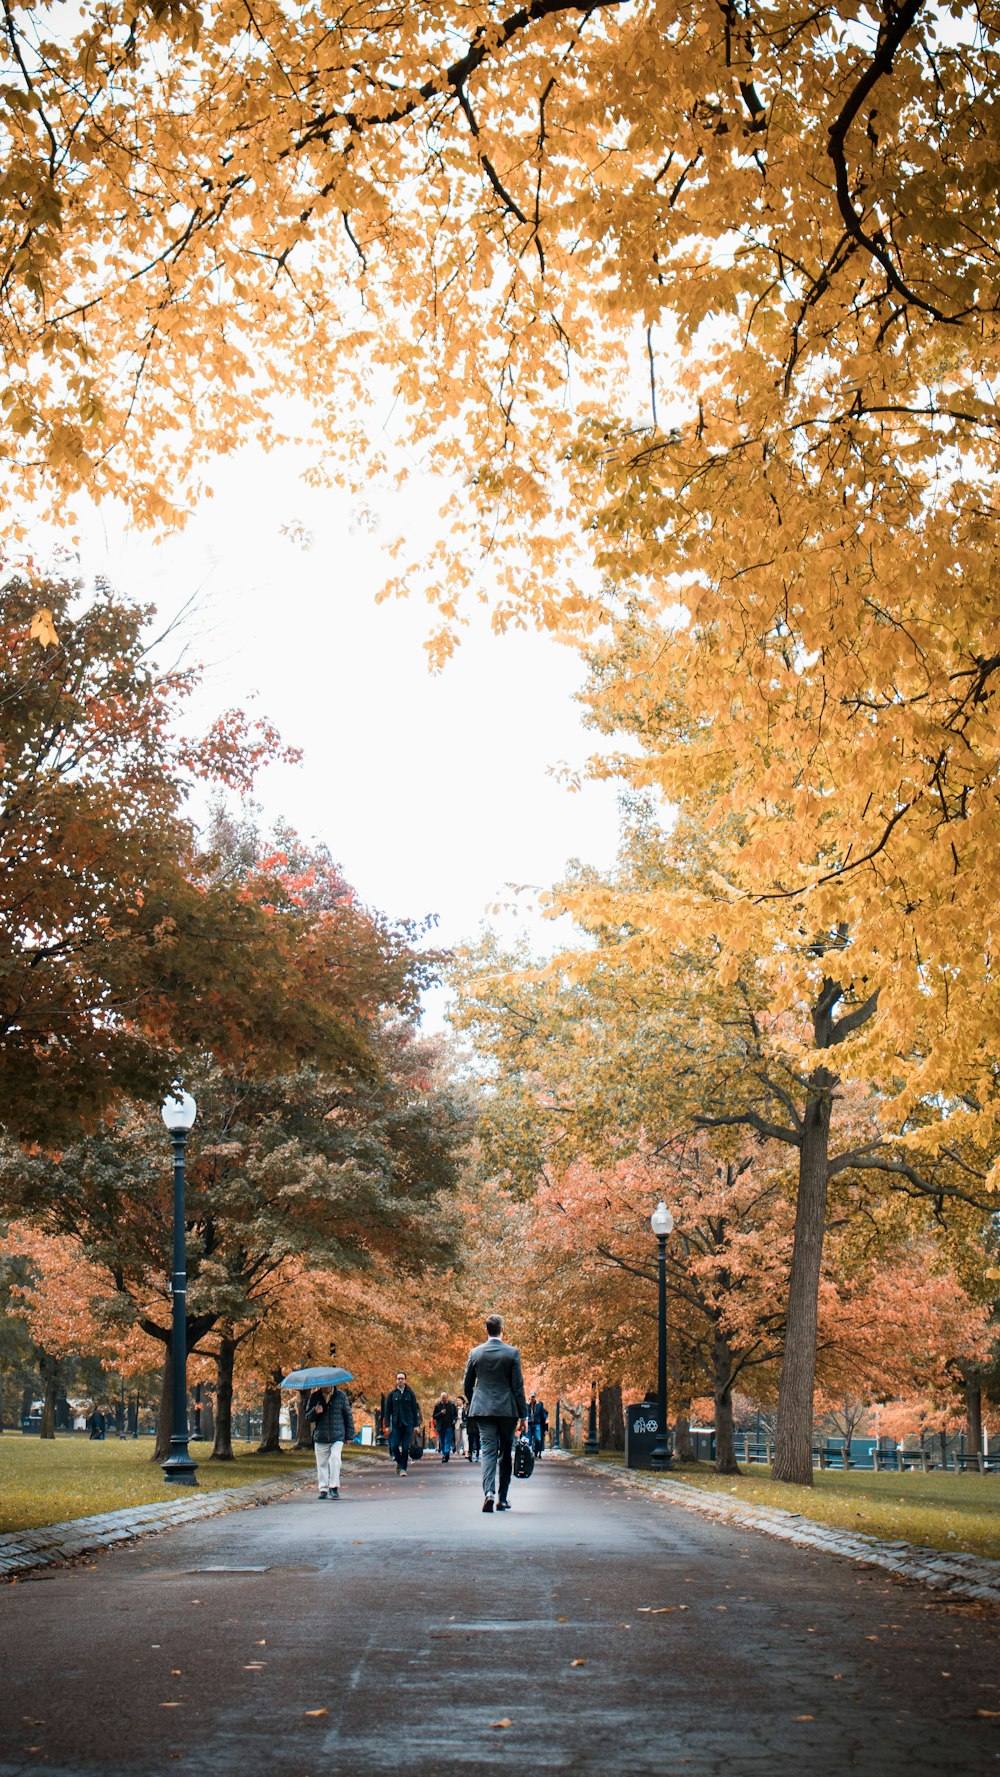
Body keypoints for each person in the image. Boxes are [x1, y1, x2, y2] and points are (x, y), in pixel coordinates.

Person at [463, 1313, 527, 1514]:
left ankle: (488, 1492)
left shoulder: (475, 1353)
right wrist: (523, 1414)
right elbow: (518, 1386)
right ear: (502, 1329)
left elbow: (467, 1385)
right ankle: (503, 1498)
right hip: (507, 1410)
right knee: (505, 1453)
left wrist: (476, 1400)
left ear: (486, 1330)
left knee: (488, 1451)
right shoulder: (512, 1353)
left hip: (483, 1409)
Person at [306, 1382, 355, 1499]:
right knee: (322, 1463)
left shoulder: (341, 1396)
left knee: (335, 1459)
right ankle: (323, 1488)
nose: (326, 1386)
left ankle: (333, 1487)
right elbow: (307, 1417)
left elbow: (348, 1416)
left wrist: (350, 1435)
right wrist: (315, 1411)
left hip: (337, 1435)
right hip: (321, 1436)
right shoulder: (315, 1396)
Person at [383, 1370, 422, 1475]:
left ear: (405, 1380)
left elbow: (414, 1410)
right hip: (396, 1424)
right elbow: (387, 1412)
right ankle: (399, 1463)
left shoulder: (410, 1394)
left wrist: (416, 1425)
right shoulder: (392, 1395)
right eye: (398, 1379)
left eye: (402, 1379)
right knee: (394, 1446)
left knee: (405, 1447)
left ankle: (403, 1468)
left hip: (408, 1424)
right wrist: (387, 1425)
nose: (400, 1380)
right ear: (396, 1381)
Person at [432, 1393, 458, 1462]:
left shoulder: (451, 1405)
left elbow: (455, 1415)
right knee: (442, 1441)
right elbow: (434, 1416)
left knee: (447, 1440)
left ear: (447, 1398)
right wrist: (440, 1413)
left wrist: (454, 1420)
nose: (443, 1400)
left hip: (449, 1425)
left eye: (444, 1398)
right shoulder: (438, 1405)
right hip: (440, 1426)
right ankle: (444, 1454)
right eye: (442, 1398)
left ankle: (446, 1454)